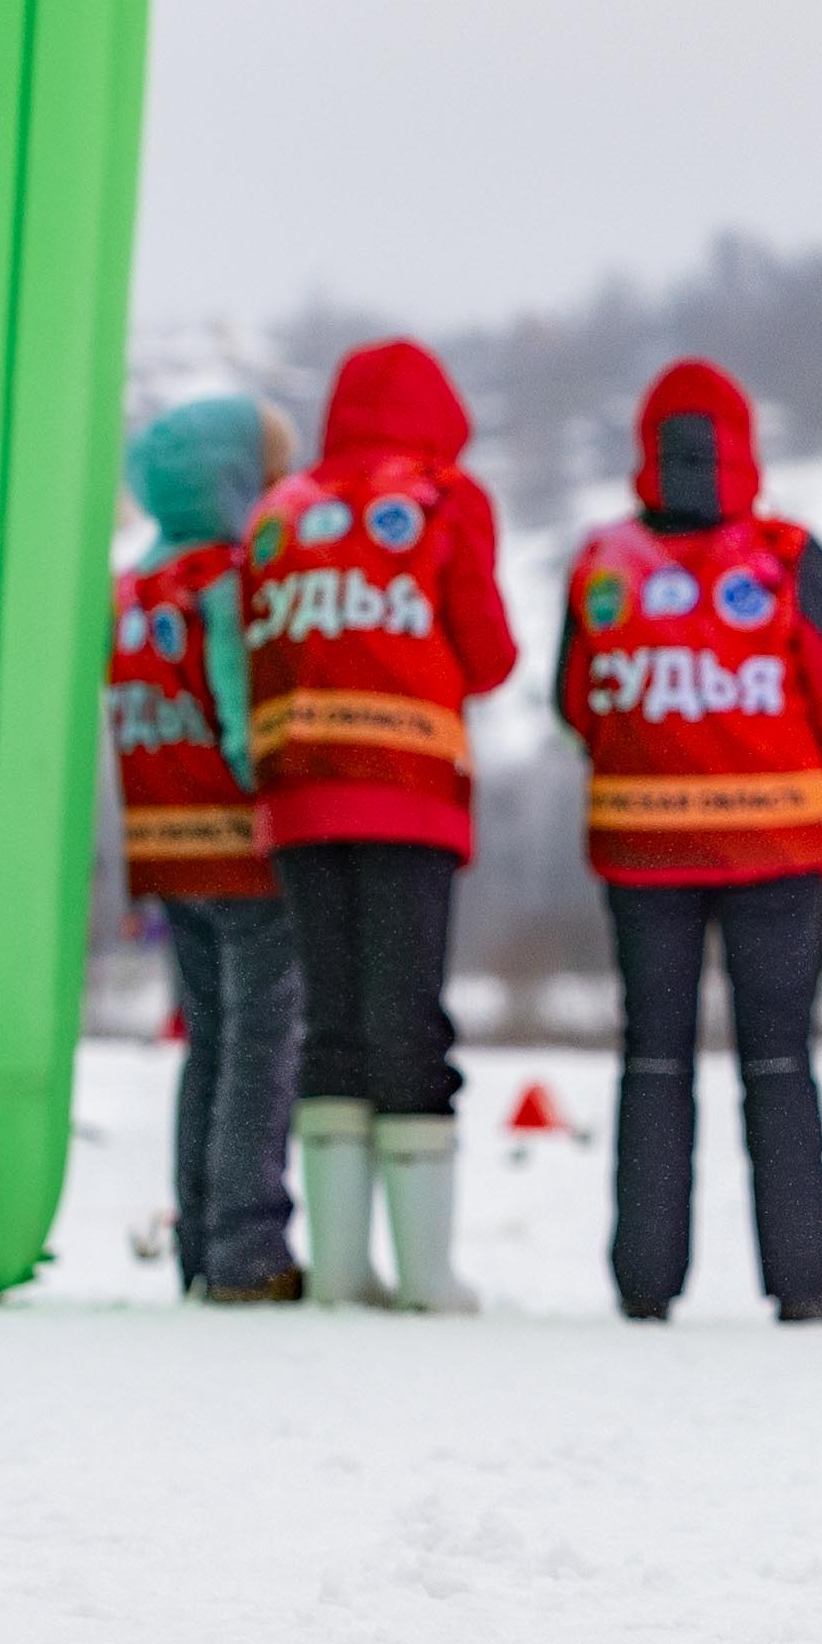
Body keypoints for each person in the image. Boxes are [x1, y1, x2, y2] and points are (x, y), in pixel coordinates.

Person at [559, 358, 822, 1323]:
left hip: (640, 848)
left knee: (653, 1059)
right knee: (778, 1060)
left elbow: (575, 702)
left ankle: (645, 1284)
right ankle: (806, 1286)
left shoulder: (603, 562)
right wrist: (804, 760)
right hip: (773, 847)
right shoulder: (784, 555)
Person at [247, 338, 515, 1311]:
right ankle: (428, 1276)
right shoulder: (444, 499)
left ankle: (340, 1270)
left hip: (296, 795)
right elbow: (488, 654)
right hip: (406, 793)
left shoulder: (280, 512)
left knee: (332, 1021)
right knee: (407, 1020)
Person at [112, 392, 305, 1302]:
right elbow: (239, 713)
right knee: (261, 1047)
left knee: (209, 1045)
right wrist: (281, 791)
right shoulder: (225, 581)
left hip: (162, 847)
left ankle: (199, 1241)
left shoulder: (132, 588)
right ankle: (247, 1247)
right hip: (238, 849)